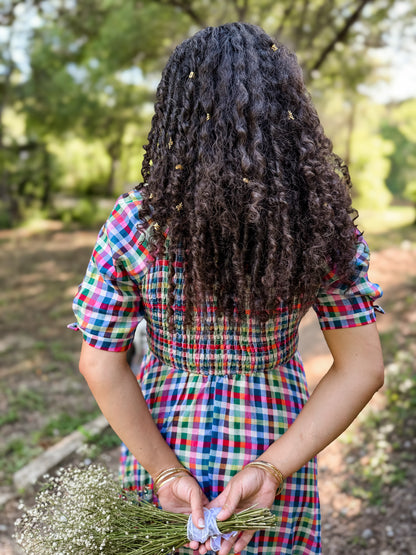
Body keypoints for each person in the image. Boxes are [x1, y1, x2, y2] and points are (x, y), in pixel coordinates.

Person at [70, 22, 384, 555]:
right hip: (279, 434)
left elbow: (99, 363)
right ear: (287, 109)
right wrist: (269, 468)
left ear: (177, 114)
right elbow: (363, 367)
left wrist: (167, 476)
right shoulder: (319, 221)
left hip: (163, 433)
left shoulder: (138, 221)